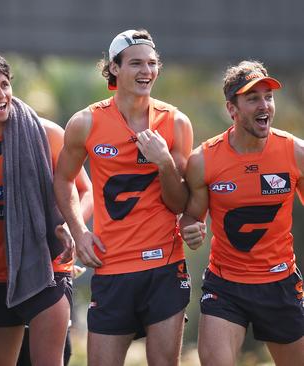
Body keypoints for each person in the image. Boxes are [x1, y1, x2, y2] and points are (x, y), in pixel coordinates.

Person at [53, 29, 194, 366]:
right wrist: (78, 231)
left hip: (164, 266)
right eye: (135, 63)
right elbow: (62, 179)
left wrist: (163, 163)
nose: (146, 71)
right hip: (111, 266)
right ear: (114, 68)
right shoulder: (85, 122)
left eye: (151, 63)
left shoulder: (175, 123)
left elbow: (180, 203)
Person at [0, 50, 91, 366]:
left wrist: (73, 226)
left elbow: (86, 192)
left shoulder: (47, 135)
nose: (1, 94)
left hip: (45, 270)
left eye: (5, 84)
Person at [180, 60, 304, 366]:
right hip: (226, 285)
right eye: (253, 99)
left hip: (280, 283)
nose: (265, 105)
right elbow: (191, 218)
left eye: (268, 97)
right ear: (232, 109)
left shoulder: (295, 152)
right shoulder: (204, 160)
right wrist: (191, 230)